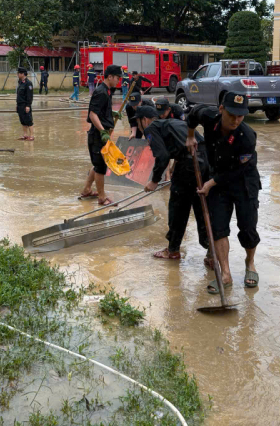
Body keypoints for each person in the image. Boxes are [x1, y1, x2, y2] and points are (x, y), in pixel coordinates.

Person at [186, 92, 261, 292]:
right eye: (231, 115)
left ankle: (250, 263)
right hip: (218, 178)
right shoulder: (208, 116)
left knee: (248, 228)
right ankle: (225, 275)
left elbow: (239, 170)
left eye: (240, 116)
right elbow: (192, 114)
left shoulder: (247, 137)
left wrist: (211, 183)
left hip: (244, 181)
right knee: (218, 226)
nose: (236, 120)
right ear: (221, 110)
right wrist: (190, 136)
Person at [136, 105, 209, 260]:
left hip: (189, 165)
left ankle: (173, 250)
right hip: (205, 163)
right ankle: (210, 249)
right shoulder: (173, 122)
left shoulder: (150, 129)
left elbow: (162, 156)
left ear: (145, 120)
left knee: (178, 208)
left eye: (138, 122)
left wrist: (154, 181)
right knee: (202, 208)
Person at [79, 64, 123, 205]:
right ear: (110, 77)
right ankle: (102, 197)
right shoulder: (101, 92)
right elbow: (92, 114)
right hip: (98, 136)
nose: (118, 81)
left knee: (98, 164)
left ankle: (87, 189)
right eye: (117, 78)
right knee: (100, 167)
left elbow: (100, 111)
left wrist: (111, 113)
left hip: (101, 135)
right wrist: (103, 131)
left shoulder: (107, 91)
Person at [16, 67, 34, 141]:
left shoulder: (28, 83)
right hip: (20, 105)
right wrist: (17, 105)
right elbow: (19, 95)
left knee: (28, 120)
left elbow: (30, 96)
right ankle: (25, 135)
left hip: (25, 105)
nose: (17, 74)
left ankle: (32, 136)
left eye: (18, 73)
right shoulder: (20, 82)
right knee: (22, 120)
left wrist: (28, 106)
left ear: (23, 74)